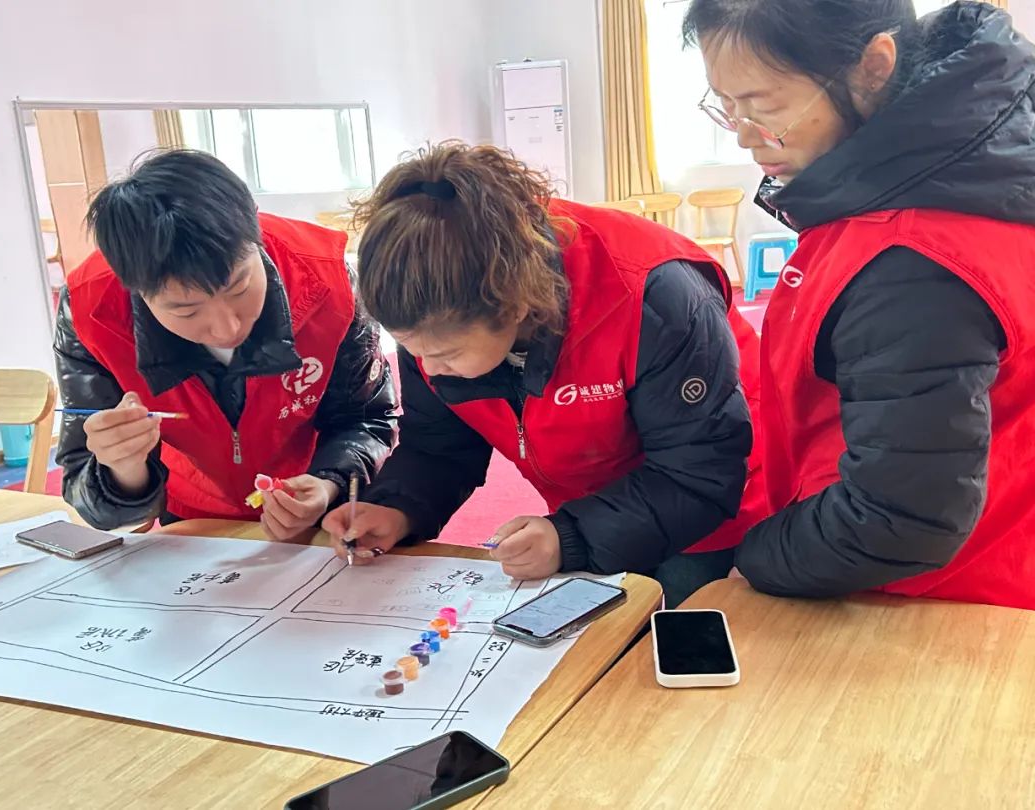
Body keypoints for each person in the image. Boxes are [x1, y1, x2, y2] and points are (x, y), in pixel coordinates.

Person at [683, 0, 1035, 608]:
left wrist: (759, 557)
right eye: (727, 105)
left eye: (765, 107)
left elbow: (901, 517)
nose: (743, 135)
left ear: (873, 67)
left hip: (935, 600)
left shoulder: (913, 261)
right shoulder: (954, 172)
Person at [322, 141, 765, 604]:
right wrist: (397, 508)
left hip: (714, 498)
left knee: (663, 626)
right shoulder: (429, 309)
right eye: (411, 350)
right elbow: (438, 445)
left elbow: (698, 471)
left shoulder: (653, 294)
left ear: (513, 306)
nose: (429, 368)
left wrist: (571, 536)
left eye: (447, 354)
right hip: (597, 506)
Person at [54, 149, 397, 538]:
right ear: (135, 289)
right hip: (193, 524)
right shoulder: (91, 313)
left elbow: (368, 418)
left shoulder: (327, 283)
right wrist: (123, 469)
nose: (226, 327)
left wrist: (328, 482)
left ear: (256, 236)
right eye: (186, 311)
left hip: (313, 509)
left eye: (240, 288)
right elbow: (87, 490)